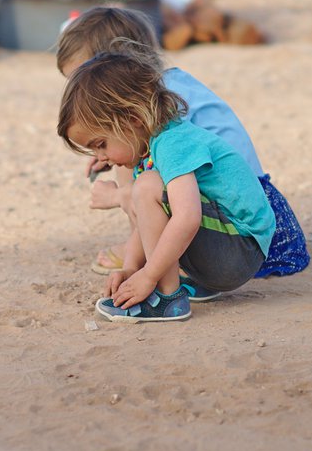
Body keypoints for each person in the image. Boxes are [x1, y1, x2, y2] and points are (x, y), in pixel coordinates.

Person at [55, 6, 308, 291]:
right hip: (229, 212)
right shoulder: (154, 103)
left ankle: (163, 286)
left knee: (143, 181)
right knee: (135, 167)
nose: (77, 92)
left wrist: (118, 197)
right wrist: (109, 152)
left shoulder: (169, 119)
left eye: (86, 79)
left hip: (240, 228)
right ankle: (147, 260)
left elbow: (175, 201)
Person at [58, 52, 276, 322]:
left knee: (147, 186)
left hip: (239, 249)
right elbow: (151, 220)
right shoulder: (152, 145)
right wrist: (131, 268)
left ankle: (168, 298)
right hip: (232, 247)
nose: (100, 157)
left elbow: (186, 217)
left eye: (101, 143)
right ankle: (190, 286)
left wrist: (149, 276)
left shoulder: (172, 143)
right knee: (147, 189)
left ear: (133, 119)